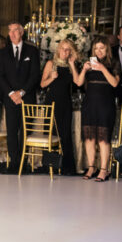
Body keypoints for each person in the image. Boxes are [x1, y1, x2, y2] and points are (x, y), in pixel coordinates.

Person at [74, 36, 120, 182]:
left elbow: (114, 84)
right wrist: (84, 70)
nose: (98, 51)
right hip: (89, 104)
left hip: (106, 105)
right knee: (89, 138)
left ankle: (104, 170)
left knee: (103, 139)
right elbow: (79, 83)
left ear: (107, 49)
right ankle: (91, 167)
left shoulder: (114, 63)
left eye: (101, 48)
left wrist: (102, 68)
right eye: (96, 48)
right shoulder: (88, 63)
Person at [0, 22, 40, 169]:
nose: (11, 34)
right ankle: (14, 162)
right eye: (9, 31)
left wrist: (21, 92)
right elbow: (0, 76)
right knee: (12, 130)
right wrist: (11, 93)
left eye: (15, 31)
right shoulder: (3, 52)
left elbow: (35, 76)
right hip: (10, 99)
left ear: (21, 33)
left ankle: (23, 161)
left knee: (25, 130)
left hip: (26, 97)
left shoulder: (32, 51)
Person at [39, 39, 79, 175]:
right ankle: (50, 166)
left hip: (65, 103)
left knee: (65, 134)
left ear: (71, 52)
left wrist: (73, 64)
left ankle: (66, 167)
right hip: (52, 103)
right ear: (58, 49)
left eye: (68, 49)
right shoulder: (51, 64)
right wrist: (52, 78)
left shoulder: (70, 65)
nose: (65, 51)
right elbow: (43, 84)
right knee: (51, 133)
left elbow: (77, 82)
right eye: (63, 48)